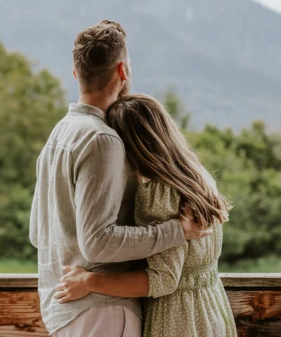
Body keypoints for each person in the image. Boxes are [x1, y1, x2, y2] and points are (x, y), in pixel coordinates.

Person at [29, 20, 210, 337]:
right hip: (101, 311)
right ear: (123, 70)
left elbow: (36, 233)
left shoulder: (59, 135)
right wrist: (177, 231)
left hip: (60, 309)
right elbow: (97, 243)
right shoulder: (102, 140)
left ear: (76, 75)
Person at [54, 94, 238, 337]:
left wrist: (89, 281)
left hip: (178, 322)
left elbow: (163, 280)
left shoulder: (160, 193)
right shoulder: (199, 177)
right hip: (211, 312)